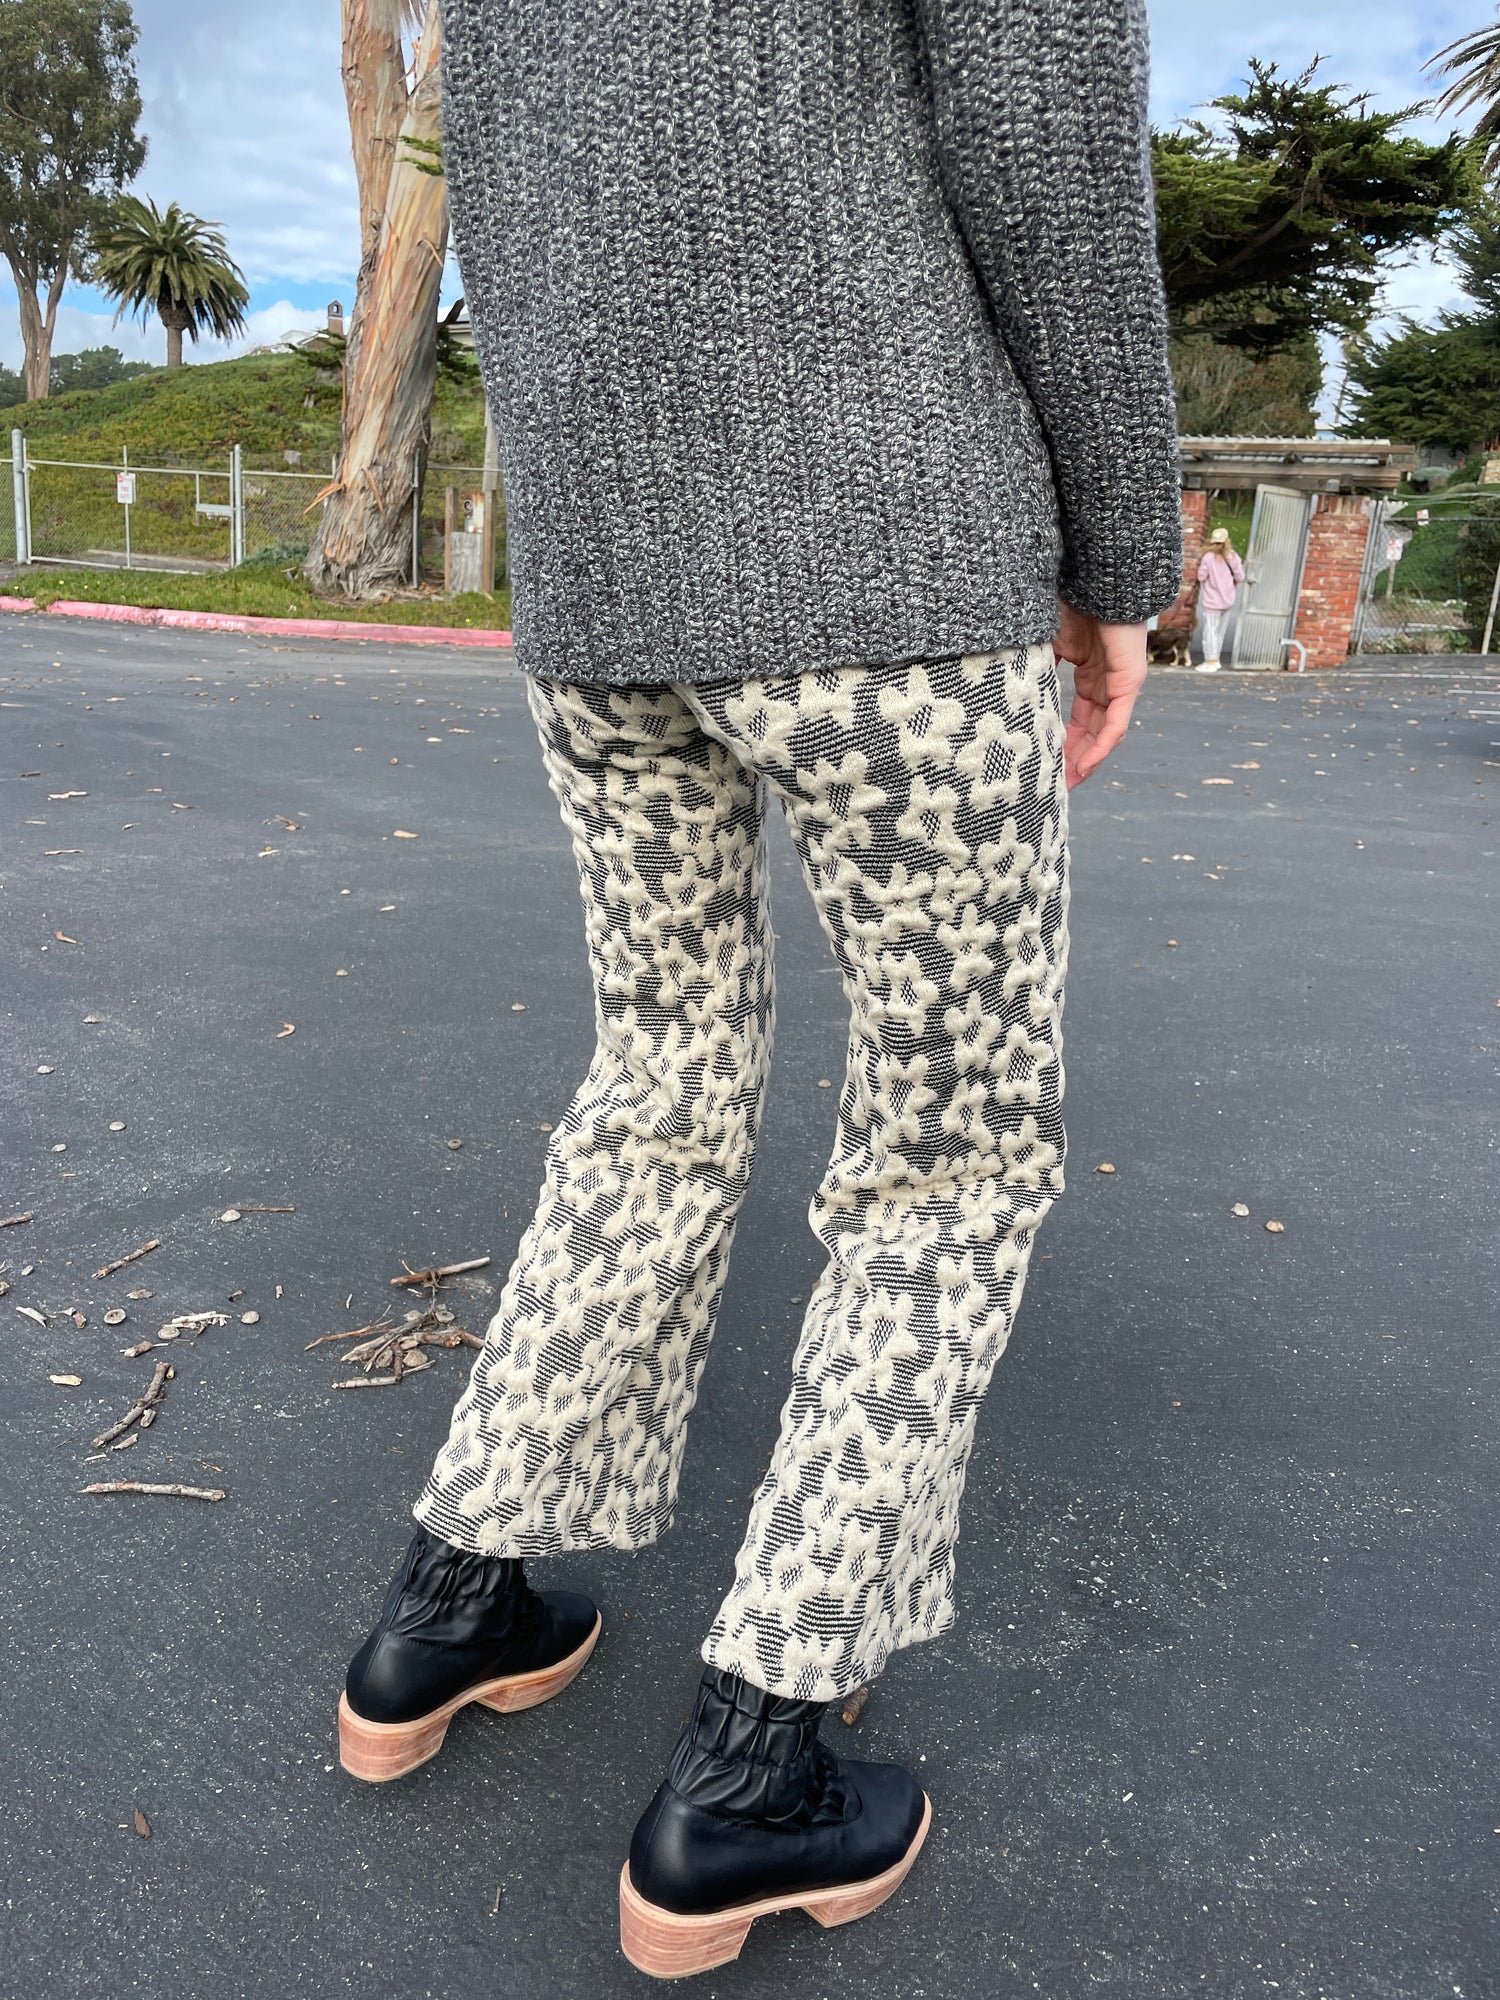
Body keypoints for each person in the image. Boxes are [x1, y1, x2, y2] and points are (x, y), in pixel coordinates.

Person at [338, 0, 1182, 1977]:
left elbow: (502, 188)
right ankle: (757, 1765)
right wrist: (1122, 558)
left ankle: (451, 1604)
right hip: (894, 556)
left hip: (604, 593)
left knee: (656, 1078)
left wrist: (585, 531)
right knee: (951, 1147)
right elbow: (1053, 168)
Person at [1196, 526, 1245, 672]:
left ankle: (1211, 661)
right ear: (1227, 541)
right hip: (1228, 601)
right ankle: (1215, 659)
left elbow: (1201, 577)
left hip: (1212, 601)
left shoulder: (1208, 557)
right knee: (1220, 632)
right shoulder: (1233, 557)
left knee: (1210, 631)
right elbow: (1240, 576)